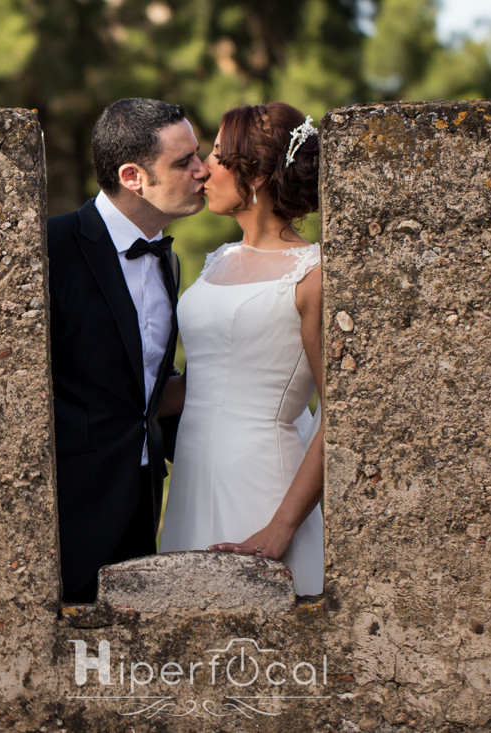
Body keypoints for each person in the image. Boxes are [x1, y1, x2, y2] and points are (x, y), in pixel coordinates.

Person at [158, 102, 324, 595]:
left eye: (216, 155)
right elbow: (202, 381)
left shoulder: (313, 275)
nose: (203, 170)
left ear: (257, 173)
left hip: (262, 480)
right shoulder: (216, 260)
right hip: (190, 473)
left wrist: (281, 527)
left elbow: (344, 412)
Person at [48, 98, 210, 602]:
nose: (203, 171)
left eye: (198, 155)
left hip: (147, 506)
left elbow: (145, 391)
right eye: (184, 163)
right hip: (69, 517)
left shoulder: (170, 261)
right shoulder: (49, 249)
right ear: (132, 176)